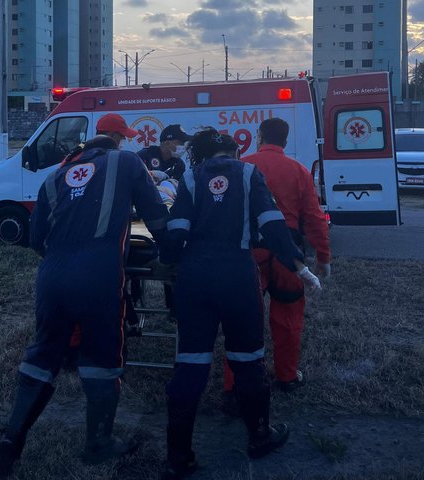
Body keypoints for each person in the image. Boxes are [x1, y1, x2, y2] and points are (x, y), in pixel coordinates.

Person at [0, 135, 171, 477]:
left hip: (51, 277)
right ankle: (98, 443)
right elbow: (157, 218)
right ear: (110, 148)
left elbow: (36, 238)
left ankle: (11, 442)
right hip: (99, 277)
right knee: (102, 356)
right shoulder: (127, 162)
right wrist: (172, 253)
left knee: (42, 355)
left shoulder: (55, 176)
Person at [161, 128, 322, 479]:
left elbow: (176, 233)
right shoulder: (250, 173)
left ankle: (178, 455)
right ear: (234, 152)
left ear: (201, 155)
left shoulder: (191, 176)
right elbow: (274, 226)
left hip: (195, 277)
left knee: (190, 363)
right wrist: (300, 266)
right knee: (248, 359)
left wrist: (172, 264)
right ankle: (259, 436)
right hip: (237, 274)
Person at [223, 117, 331, 398]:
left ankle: (235, 383)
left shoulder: (242, 166)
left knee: (242, 319)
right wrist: (323, 256)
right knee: (288, 318)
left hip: (249, 253)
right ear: (285, 140)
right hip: (288, 256)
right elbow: (315, 217)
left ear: (260, 136)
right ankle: (286, 376)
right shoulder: (298, 170)